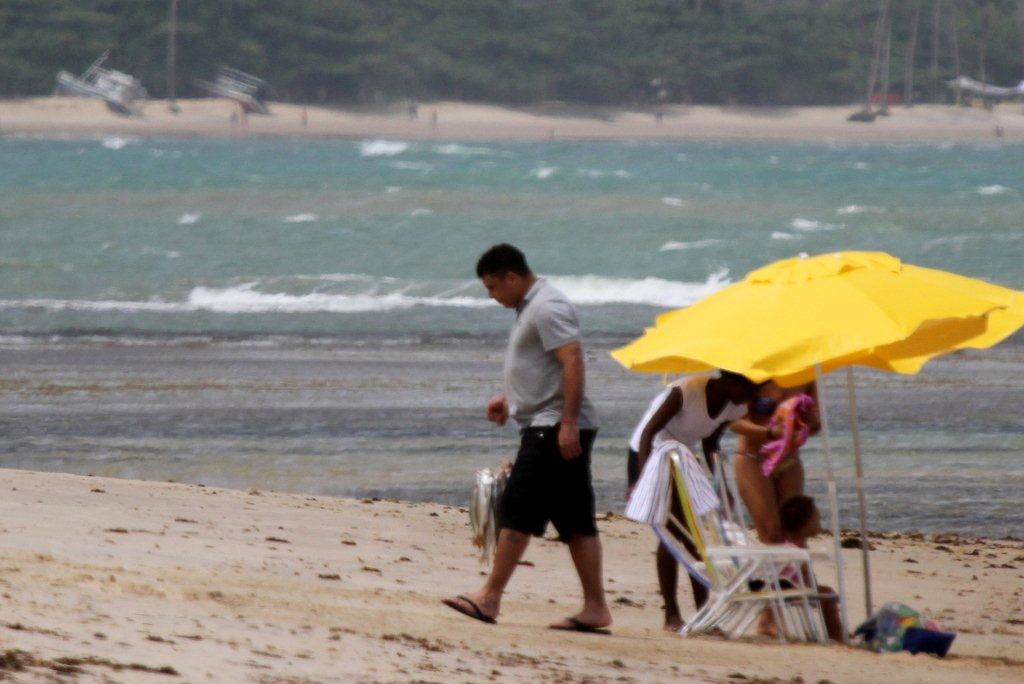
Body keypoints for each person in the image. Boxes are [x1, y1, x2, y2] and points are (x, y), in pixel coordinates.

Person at [443, 244, 611, 633]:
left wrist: (567, 422)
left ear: (512, 277)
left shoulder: (548, 306)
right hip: (546, 419)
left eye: (492, 288)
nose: (491, 297)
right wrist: (511, 400)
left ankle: (489, 597)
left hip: (553, 426)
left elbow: (573, 360)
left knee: (518, 507)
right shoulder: (529, 307)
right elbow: (543, 366)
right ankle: (596, 608)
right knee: (575, 520)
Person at [627, 370, 763, 631]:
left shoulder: (735, 405)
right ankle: (674, 615)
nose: (751, 395)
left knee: (693, 534)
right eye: (747, 387)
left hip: (683, 455)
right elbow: (648, 431)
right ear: (728, 379)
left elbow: (711, 443)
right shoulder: (686, 391)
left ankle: (702, 613)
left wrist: (720, 484)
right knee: (677, 530)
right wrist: (642, 478)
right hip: (649, 450)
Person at [733, 381, 819, 544]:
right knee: (771, 531)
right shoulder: (754, 373)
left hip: (789, 461)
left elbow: (816, 422)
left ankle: (801, 571)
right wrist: (771, 433)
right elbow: (734, 422)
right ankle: (779, 569)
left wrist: (808, 423)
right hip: (753, 458)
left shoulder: (806, 375)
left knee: (797, 532)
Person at [761, 495, 843, 642]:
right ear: (805, 524)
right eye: (816, 518)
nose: (819, 522)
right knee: (828, 594)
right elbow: (806, 576)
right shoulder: (798, 549)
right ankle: (836, 634)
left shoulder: (784, 545)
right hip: (791, 588)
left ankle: (835, 633)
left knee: (824, 592)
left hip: (780, 586)